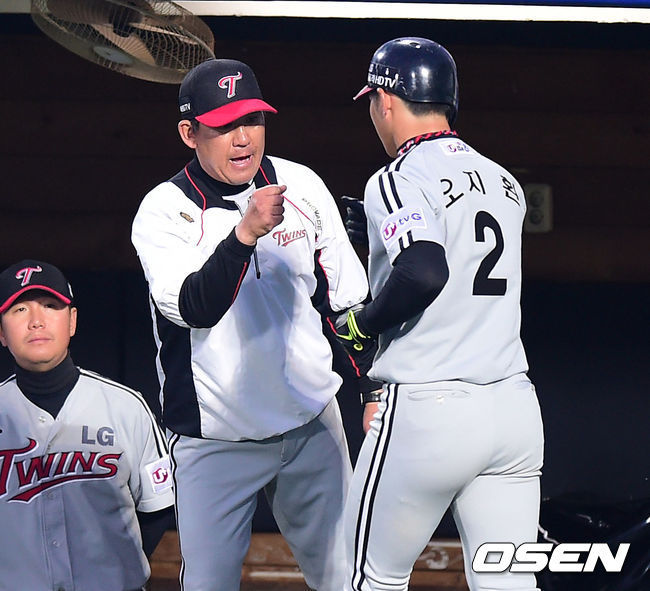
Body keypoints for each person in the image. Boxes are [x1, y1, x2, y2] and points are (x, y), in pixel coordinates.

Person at [131, 58, 370, 591]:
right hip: (217, 440)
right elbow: (193, 308)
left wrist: (372, 389)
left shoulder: (301, 184)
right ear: (190, 134)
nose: (243, 139)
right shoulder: (163, 210)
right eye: (224, 126)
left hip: (311, 426)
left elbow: (347, 301)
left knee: (347, 579)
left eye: (253, 120)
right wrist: (244, 235)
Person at [337, 38, 545, 591]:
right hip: (512, 408)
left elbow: (424, 270)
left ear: (386, 99)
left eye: (372, 100)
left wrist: (363, 323)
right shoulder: (504, 181)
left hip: (430, 405)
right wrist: (377, 237)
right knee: (508, 583)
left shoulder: (397, 176)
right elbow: (457, 250)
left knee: (367, 578)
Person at [0, 259, 174, 591]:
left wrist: (112, 571)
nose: (36, 320)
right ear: (1, 332)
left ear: (72, 321)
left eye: (50, 305)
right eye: (19, 309)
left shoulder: (126, 407)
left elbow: (157, 508)